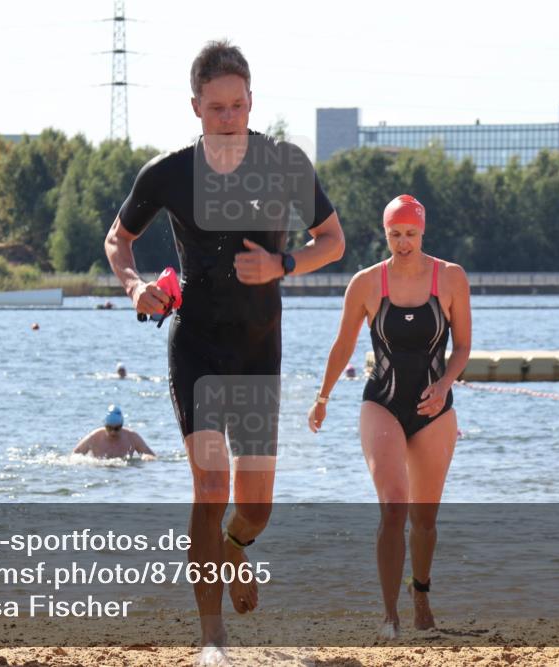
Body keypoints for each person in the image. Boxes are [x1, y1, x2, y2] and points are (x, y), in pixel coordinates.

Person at [104, 40, 345, 663]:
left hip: (260, 349)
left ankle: (236, 547)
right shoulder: (166, 173)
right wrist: (135, 287)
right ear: (196, 108)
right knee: (210, 488)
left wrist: (281, 263)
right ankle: (212, 637)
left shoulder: (284, 162)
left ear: (250, 102)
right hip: (198, 348)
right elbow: (118, 239)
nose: (230, 117)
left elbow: (334, 241)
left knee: (255, 508)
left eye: (239, 105)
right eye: (217, 108)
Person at [308, 194, 471, 639]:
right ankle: (389, 616)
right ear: (385, 234)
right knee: (393, 506)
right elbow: (342, 346)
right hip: (381, 403)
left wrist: (443, 387)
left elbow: (462, 349)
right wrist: (322, 397)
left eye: (411, 234)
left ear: (423, 232)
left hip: (436, 410)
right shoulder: (366, 283)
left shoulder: (451, 278)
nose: (403, 243)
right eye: (395, 234)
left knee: (425, 518)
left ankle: (420, 597)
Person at [73, 405, 155, 459]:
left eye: (116, 428)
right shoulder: (94, 437)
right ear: (105, 425)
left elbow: (151, 455)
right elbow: (74, 456)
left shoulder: (132, 437)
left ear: (121, 425)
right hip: (100, 472)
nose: (113, 432)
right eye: (109, 428)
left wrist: (147, 457)